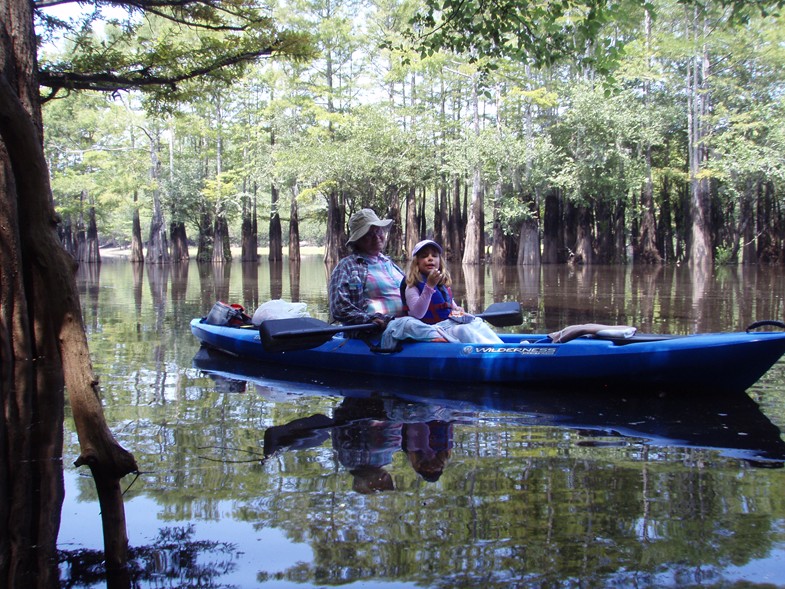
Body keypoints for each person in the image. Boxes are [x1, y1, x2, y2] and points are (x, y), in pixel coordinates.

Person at [400, 239, 503, 344]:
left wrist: (458, 310)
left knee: (478, 323)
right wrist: (429, 287)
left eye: (434, 256)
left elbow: (452, 308)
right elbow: (417, 314)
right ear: (416, 262)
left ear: (440, 262)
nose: (430, 258)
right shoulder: (412, 285)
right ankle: (493, 351)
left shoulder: (441, 285)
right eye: (424, 256)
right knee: (463, 330)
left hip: (448, 324)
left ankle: (501, 347)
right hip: (431, 329)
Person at [328, 208, 406, 329]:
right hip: (374, 332)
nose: (376, 237)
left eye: (378, 230)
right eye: (369, 234)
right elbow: (339, 308)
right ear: (357, 240)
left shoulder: (388, 263)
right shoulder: (347, 266)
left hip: (408, 324)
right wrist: (372, 319)